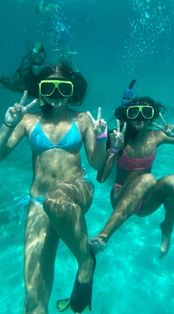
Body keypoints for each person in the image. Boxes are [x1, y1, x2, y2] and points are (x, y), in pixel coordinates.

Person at [0, 60, 107, 313]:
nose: (57, 95)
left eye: (63, 88)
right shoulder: (27, 120)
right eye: (50, 87)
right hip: (38, 202)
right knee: (33, 300)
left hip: (78, 189)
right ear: (40, 89)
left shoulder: (82, 120)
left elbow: (97, 162)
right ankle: (85, 257)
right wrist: (8, 124)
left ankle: (85, 262)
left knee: (57, 200)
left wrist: (101, 136)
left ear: (72, 89)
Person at [90, 86, 174, 259]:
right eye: (135, 112)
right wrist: (114, 149)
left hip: (146, 202)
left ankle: (167, 229)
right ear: (128, 114)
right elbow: (101, 178)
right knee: (147, 178)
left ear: (152, 115)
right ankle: (104, 236)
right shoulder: (119, 137)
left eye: (146, 112)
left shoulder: (157, 136)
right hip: (120, 197)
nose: (140, 117)